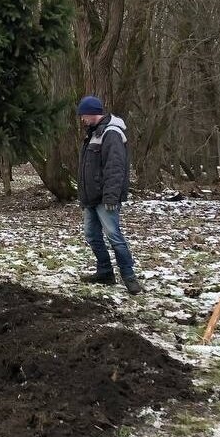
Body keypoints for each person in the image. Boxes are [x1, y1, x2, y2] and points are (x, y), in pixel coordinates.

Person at [76, 96, 142, 294]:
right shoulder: (94, 133)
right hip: (91, 197)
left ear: (91, 113)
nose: (82, 120)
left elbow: (115, 168)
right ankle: (105, 271)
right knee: (91, 235)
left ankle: (129, 276)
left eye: (83, 115)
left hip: (105, 198)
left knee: (114, 236)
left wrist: (111, 197)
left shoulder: (111, 133)